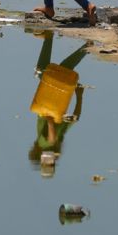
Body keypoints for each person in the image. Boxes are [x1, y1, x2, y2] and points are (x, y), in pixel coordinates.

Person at [28, 30, 88, 171]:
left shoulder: (60, 139)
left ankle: (85, 47)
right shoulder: (44, 143)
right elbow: (51, 138)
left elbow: (75, 118)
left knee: (49, 70)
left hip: (57, 99)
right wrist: (50, 121)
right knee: (47, 71)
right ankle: (84, 47)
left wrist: (79, 96)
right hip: (50, 100)